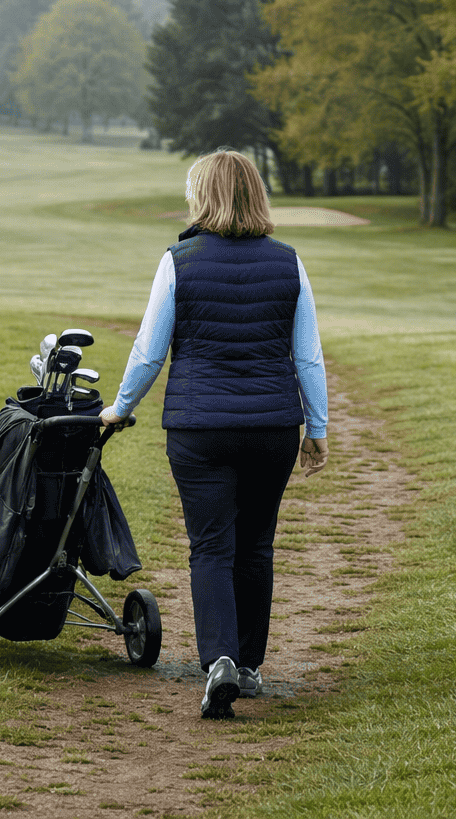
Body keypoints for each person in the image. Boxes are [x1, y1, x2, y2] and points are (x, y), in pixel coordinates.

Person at [99, 149, 328, 719]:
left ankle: (219, 660)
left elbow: (149, 351)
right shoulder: (289, 261)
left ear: (203, 196)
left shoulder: (180, 259)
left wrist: (119, 409)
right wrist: (318, 427)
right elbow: (308, 356)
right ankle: (248, 665)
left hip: (199, 430)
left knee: (211, 547)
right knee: (256, 545)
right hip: (273, 428)